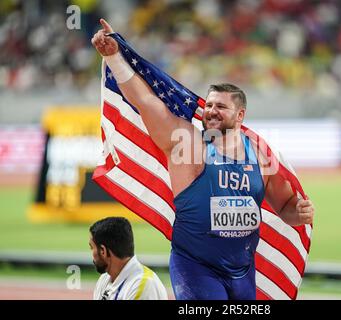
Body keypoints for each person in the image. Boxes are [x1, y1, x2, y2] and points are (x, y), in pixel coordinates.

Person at [91, 19, 315, 300]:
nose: (210, 111)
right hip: (196, 268)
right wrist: (114, 58)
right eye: (208, 105)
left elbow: (283, 206)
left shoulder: (258, 152)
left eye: (220, 106)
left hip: (243, 271)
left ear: (240, 115)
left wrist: (299, 213)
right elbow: (147, 102)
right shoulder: (188, 144)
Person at [89, 217, 168, 300]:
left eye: (92, 247)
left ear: (103, 251)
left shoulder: (144, 285)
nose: (92, 253)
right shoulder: (104, 279)